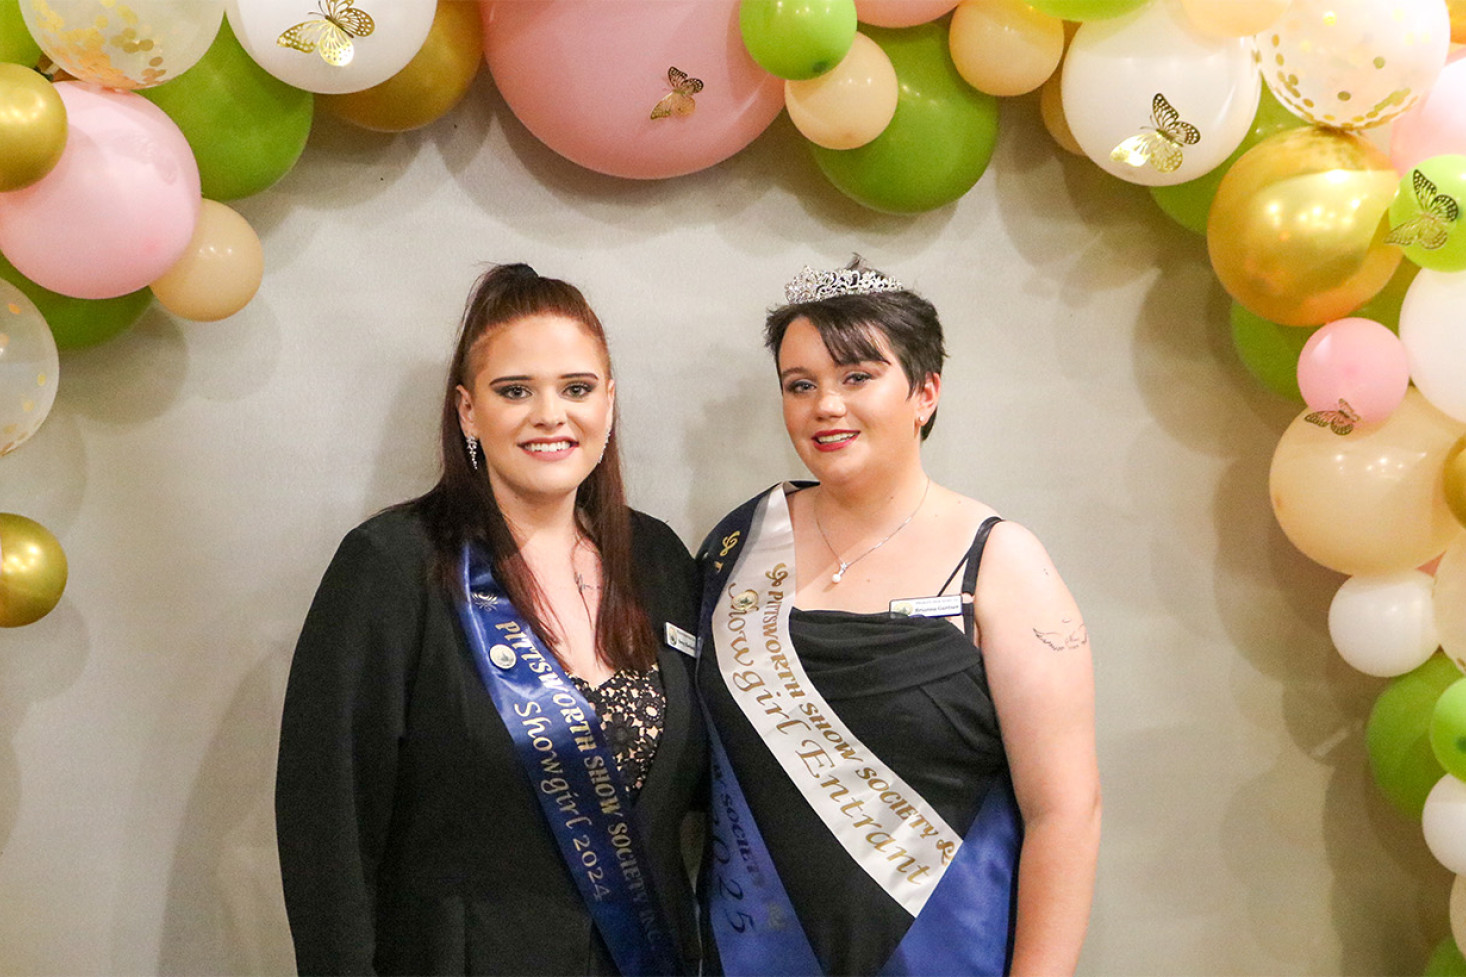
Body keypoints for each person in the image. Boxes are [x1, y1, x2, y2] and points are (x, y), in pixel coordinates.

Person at [276, 263, 706, 976]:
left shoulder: (658, 558)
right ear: (468, 410)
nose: (550, 414)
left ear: (609, 400)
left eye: (576, 387)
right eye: (515, 391)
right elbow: (329, 822)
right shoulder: (391, 565)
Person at [696, 259, 1100, 976]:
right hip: (755, 952)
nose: (825, 404)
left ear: (924, 391)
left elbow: (1065, 809)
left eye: (857, 376)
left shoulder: (1003, 563)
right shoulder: (740, 543)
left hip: (946, 953)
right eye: (800, 384)